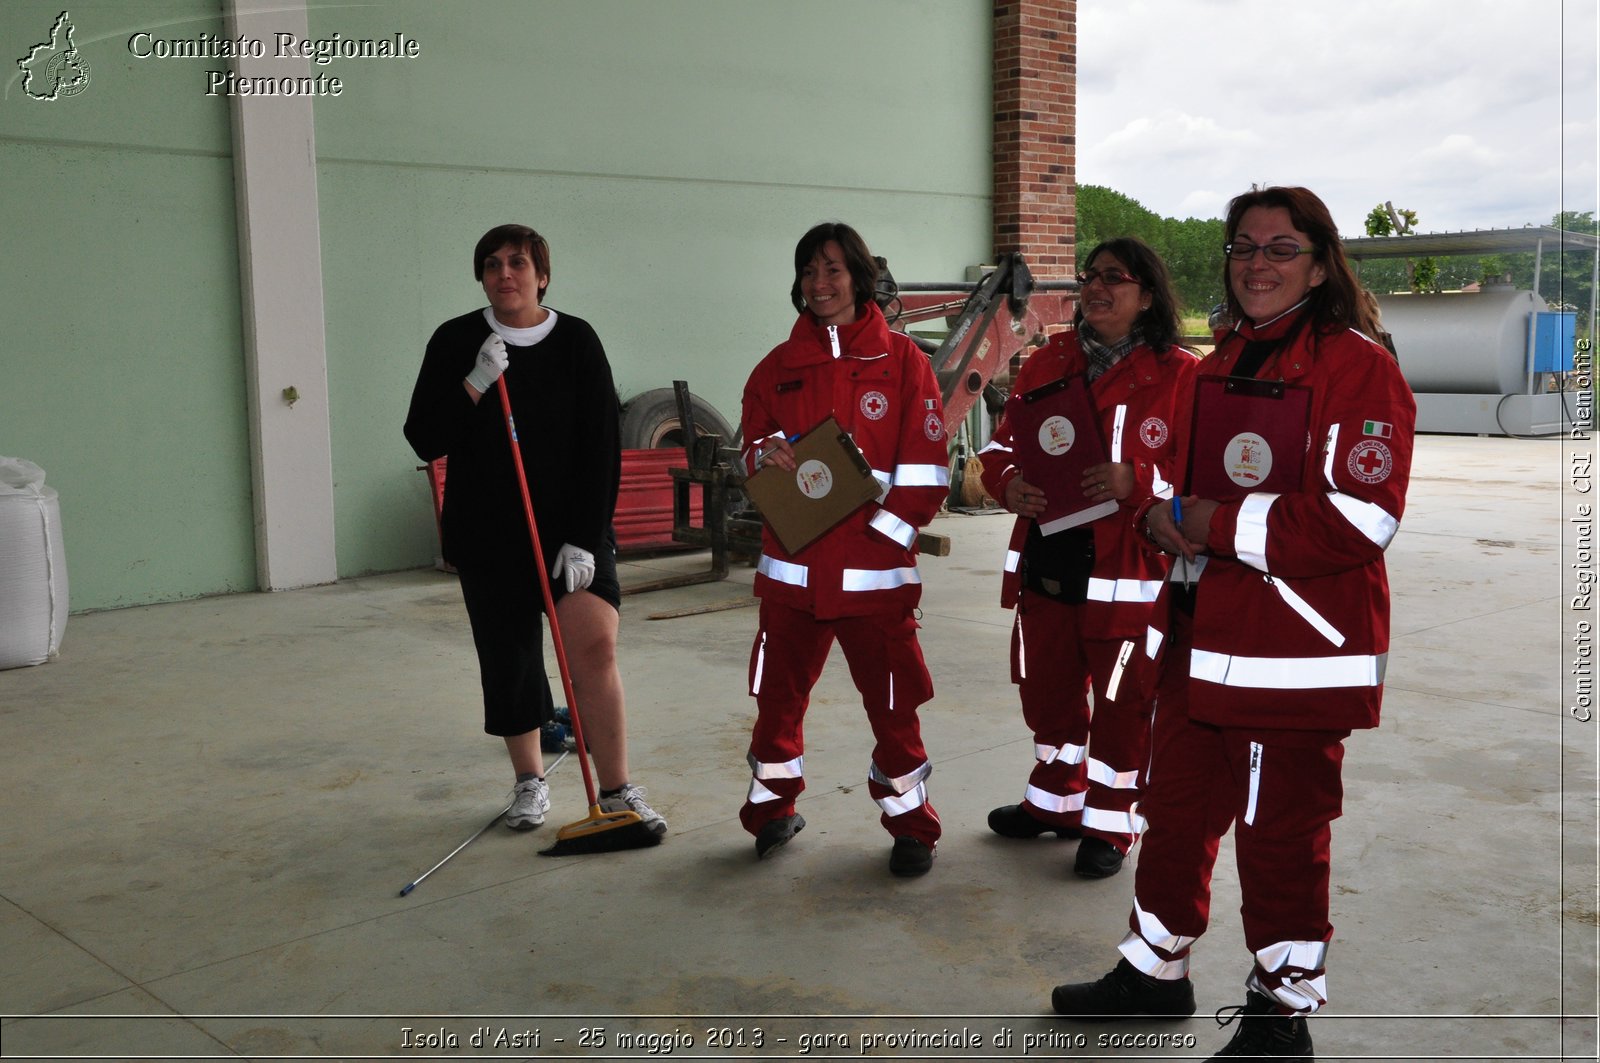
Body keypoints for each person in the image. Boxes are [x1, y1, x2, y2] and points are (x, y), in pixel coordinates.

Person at [1050, 187, 1415, 1060]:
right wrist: (1163, 516)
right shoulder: (1219, 360)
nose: (1257, 263)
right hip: (1198, 639)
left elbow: (1363, 517)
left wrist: (1210, 523)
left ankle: (1279, 1016)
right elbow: (1182, 483)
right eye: (1242, 247)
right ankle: (1153, 972)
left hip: (1293, 654)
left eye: (1280, 248)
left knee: (1280, 837)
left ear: (1321, 262)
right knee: (1174, 811)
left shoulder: (1358, 364)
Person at [404, 224, 667, 839]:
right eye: (492, 264)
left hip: (570, 532)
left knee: (595, 650)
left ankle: (618, 789)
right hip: (490, 531)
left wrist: (584, 533)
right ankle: (529, 782)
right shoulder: (456, 341)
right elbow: (424, 436)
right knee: (511, 660)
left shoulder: (576, 340)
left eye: (518, 263)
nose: (505, 273)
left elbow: (602, 444)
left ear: (541, 275)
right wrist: (473, 382)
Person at [978, 238, 1197, 878]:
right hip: (1048, 558)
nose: (1096, 288)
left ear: (1148, 294)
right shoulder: (1047, 362)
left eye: (1115, 278)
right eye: (1089, 277)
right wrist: (1008, 483)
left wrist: (1143, 480)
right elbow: (998, 450)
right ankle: (1053, 800)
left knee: (1124, 705)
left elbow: (1209, 477)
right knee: (1047, 694)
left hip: (1126, 574)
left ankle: (1109, 823)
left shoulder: (1184, 376)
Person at [737, 222, 949, 876]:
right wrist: (762, 457)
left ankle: (911, 824)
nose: (820, 283)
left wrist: (881, 541)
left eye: (832, 270)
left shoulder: (905, 364)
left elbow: (927, 471)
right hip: (792, 580)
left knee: (894, 710)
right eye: (809, 272)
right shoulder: (776, 368)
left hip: (876, 586)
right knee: (777, 705)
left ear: (859, 277)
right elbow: (751, 454)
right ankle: (771, 812)